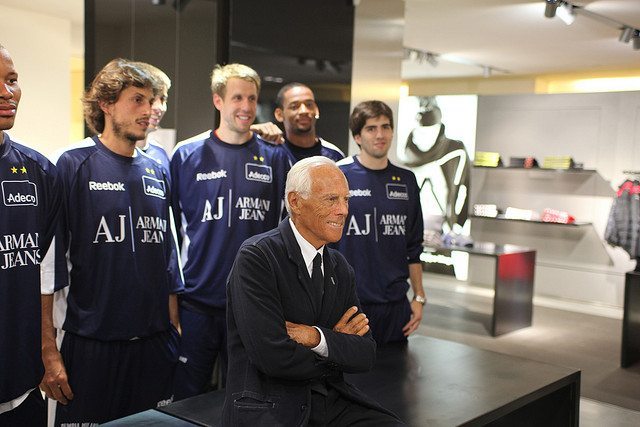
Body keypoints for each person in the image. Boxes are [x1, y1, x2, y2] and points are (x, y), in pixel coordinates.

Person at [40, 58, 183, 425]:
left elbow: (168, 258)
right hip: (90, 345)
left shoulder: (158, 168)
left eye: (151, 100)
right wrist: (48, 351)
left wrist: (174, 329)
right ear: (105, 103)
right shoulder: (70, 164)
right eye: (137, 100)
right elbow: (47, 268)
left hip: (152, 345)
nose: (149, 110)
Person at [224, 156, 403, 425]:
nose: (343, 210)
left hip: (330, 400)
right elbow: (273, 358)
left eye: (346, 200)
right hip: (270, 404)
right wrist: (335, 346)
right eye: (331, 200)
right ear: (295, 202)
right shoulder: (257, 257)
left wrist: (315, 337)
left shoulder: (340, 267)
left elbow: (365, 353)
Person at [170, 63, 291, 400]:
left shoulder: (276, 156)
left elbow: (286, 231)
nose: (246, 107)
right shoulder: (186, 154)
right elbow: (170, 234)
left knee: (248, 399)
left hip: (253, 302)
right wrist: (172, 301)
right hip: (197, 302)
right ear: (218, 101)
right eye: (237, 97)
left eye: (252, 98)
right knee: (186, 399)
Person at [0, 43, 61, 426]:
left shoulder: (39, 171)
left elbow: (44, 272)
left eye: (12, 80)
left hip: (23, 389)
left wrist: (48, 350)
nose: (7, 93)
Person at [334, 100, 425, 345]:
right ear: (357, 136)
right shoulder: (339, 175)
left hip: (395, 307)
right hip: (349, 307)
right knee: (350, 369)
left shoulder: (406, 180)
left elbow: (414, 247)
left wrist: (419, 296)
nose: (380, 135)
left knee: (395, 369)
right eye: (371, 128)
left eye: (385, 127)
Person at [252, 82, 345, 163]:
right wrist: (250, 130)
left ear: (317, 110)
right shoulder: (269, 151)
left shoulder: (334, 155)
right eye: (294, 107)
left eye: (309, 105)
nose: (304, 111)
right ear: (279, 114)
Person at [134, 62, 172, 172]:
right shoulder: (91, 154)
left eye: (163, 99)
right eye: (151, 99)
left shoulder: (160, 155)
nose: (159, 107)